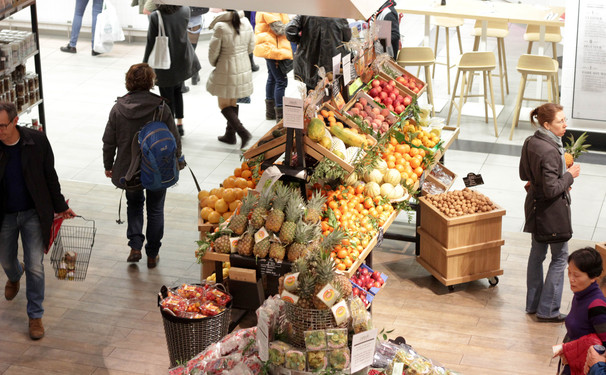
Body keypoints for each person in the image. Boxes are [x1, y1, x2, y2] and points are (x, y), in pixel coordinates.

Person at [0, 102, 76, 340]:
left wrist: (61, 206)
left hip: (34, 212)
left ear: (15, 121)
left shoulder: (36, 142)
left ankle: (35, 316)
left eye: (2, 125)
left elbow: (49, 175)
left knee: (35, 266)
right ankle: (14, 275)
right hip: (5, 215)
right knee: (5, 259)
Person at [102, 63, 183, 269]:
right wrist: (177, 159)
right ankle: (153, 254)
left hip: (129, 170)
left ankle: (135, 246)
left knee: (134, 205)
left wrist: (108, 164)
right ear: (151, 81)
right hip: (157, 168)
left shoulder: (118, 108)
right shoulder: (161, 107)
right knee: (155, 209)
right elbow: (174, 138)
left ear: (128, 81)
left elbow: (109, 140)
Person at [520, 103, 581, 322]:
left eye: (565, 120)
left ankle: (533, 305)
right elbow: (551, 189)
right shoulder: (550, 149)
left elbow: (523, 174)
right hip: (552, 213)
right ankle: (548, 310)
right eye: (560, 121)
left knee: (537, 255)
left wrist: (549, 179)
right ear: (547, 124)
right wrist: (569, 175)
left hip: (535, 209)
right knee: (560, 257)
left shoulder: (531, 141)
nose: (565, 125)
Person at [143, 5, 201, 137]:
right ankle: (179, 125)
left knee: (166, 97)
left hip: (165, 62)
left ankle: (170, 128)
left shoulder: (155, 16)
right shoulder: (185, 10)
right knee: (178, 91)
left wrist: (145, 64)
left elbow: (151, 42)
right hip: (182, 59)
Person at [553, 247, 606, 374]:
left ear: (593, 277)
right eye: (569, 272)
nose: (571, 279)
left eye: (576, 275)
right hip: (571, 361)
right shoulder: (580, 293)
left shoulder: (596, 305)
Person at [206, 10, 254, 148]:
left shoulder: (220, 26)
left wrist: (216, 63)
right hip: (243, 65)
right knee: (233, 101)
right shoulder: (245, 22)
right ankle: (230, 135)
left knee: (223, 104)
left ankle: (242, 132)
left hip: (226, 67)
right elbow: (251, 47)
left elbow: (213, 52)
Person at [286, 16, 352, 92]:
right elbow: (347, 37)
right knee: (334, 95)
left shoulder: (305, 13)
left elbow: (289, 30)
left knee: (312, 97)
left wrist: (302, 42)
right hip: (333, 65)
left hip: (310, 65)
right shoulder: (338, 15)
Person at [253, 12, 293, 123]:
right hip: (273, 49)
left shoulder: (270, 7)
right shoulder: (269, 9)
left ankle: (270, 113)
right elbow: (279, 29)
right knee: (281, 81)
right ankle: (280, 117)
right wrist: (295, 25)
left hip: (270, 47)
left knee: (272, 78)